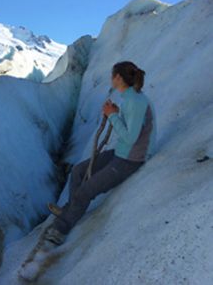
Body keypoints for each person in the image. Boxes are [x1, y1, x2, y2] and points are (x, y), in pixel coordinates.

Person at [44, 61, 157, 245]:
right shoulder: (130, 99)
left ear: (118, 78)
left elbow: (130, 138)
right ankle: (71, 209)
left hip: (131, 158)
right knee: (79, 171)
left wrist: (112, 115)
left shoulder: (135, 102)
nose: (111, 79)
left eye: (113, 75)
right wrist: (115, 113)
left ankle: (60, 229)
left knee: (86, 191)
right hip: (122, 153)